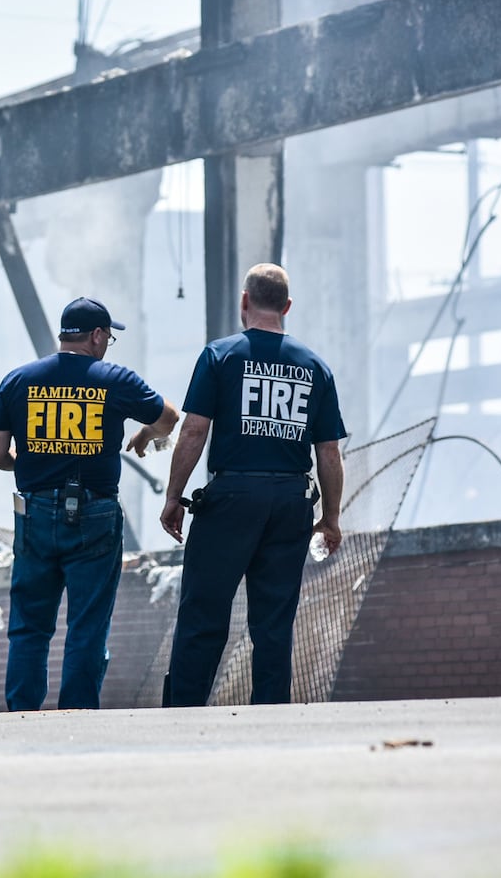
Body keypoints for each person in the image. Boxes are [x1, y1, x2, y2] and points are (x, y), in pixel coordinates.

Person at [160, 263, 346, 706]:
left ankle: (181, 714)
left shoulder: (220, 355)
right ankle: (271, 717)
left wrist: (173, 496)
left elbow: (192, 431)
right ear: (287, 306)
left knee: (204, 614)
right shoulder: (315, 366)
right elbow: (329, 452)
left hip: (231, 499)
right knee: (274, 622)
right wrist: (331, 518)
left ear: (244, 301)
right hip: (291, 503)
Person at [0, 297, 178, 711]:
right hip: (96, 514)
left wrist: (34, 464)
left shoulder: (19, 380)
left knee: (30, 626)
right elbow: (169, 419)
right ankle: (78, 713)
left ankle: (22, 713)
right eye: (108, 337)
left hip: (34, 513)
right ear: (97, 336)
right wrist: (144, 434)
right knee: (88, 625)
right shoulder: (114, 379)